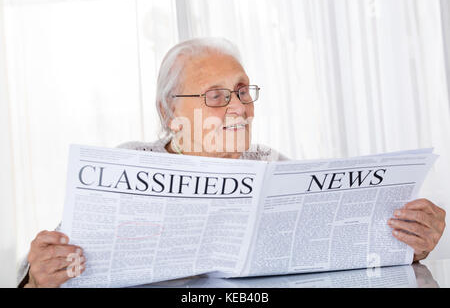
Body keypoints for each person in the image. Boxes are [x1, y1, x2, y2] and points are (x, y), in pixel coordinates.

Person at [18, 37, 446, 287]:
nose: (239, 107)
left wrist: (407, 244)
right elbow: (56, 266)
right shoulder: (129, 162)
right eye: (216, 96)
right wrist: (39, 278)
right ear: (170, 112)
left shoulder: (272, 165)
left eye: (242, 91)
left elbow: (335, 254)